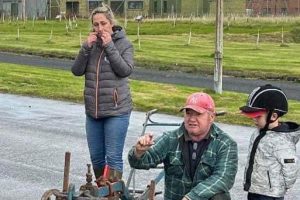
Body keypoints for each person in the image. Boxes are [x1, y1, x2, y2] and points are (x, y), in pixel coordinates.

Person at [128, 92, 238, 200]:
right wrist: (139, 152)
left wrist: (191, 197)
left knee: (219, 196)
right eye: (188, 113)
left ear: (212, 117)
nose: (192, 119)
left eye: (198, 114)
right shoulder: (170, 139)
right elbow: (139, 162)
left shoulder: (226, 144)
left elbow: (223, 178)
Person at [71, 4, 134, 180]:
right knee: (97, 158)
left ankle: (113, 194)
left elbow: (125, 70)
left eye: (103, 23)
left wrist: (109, 46)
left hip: (116, 110)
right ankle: (100, 192)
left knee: (112, 158)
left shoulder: (124, 44)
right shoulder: (91, 47)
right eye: (96, 24)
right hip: (93, 111)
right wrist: (85, 48)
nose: (99, 28)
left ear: (111, 23)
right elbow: (76, 70)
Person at [240, 84, 300, 200]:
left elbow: (291, 168)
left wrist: (280, 187)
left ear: (273, 116)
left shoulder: (282, 142)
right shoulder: (258, 133)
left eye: (258, 116)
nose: (254, 119)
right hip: (255, 190)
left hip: (270, 195)